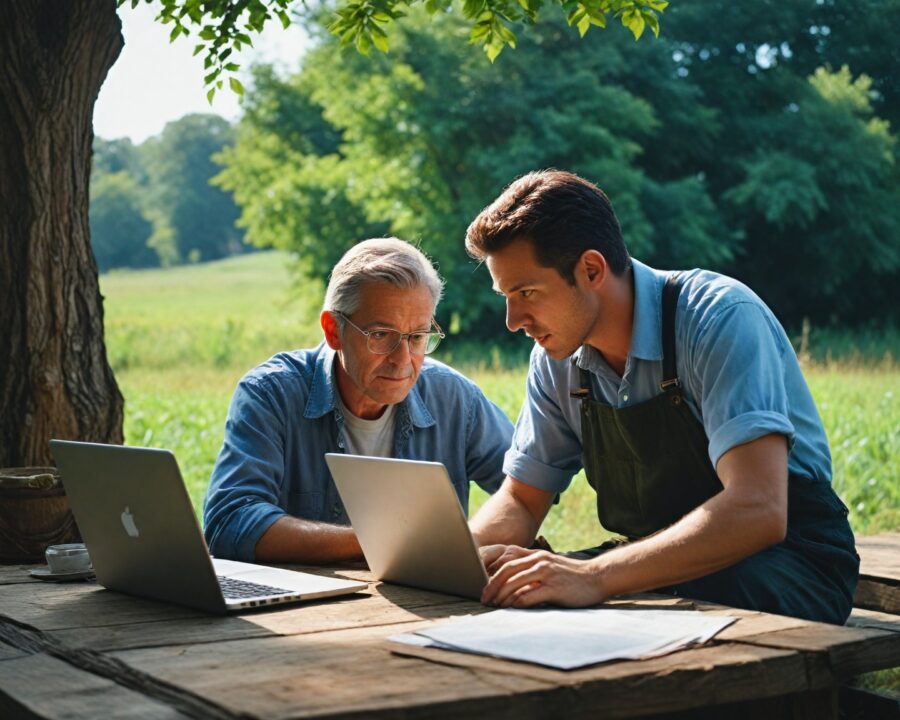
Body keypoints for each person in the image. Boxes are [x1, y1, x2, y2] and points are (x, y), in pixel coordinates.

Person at [464, 170, 859, 624]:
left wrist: (594, 576)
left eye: (527, 292)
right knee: (528, 589)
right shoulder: (556, 359)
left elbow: (759, 509)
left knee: (655, 607)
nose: (513, 320)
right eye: (506, 297)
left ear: (591, 270)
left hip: (793, 563)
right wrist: (460, 562)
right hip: (660, 567)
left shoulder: (718, 318)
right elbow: (521, 500)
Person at [203, 237, 513, 564]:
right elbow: (229, 523)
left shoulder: (454, 398)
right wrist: (389, 541)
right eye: (381, 335)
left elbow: (525, 486)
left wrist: (470, 544)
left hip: (428, 609)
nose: (402, 359)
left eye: (417, 337)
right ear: (333, 330)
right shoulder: (272, 394)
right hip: (305, 612)